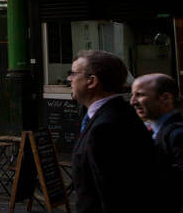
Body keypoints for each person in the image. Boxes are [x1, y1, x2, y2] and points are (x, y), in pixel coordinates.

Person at [69, 50, 171, 212]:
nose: (69, 79)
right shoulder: (119, 112)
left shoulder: (106, 127)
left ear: (92, 81)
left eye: (73, 74)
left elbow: (113, 194)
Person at [131, 73, 183, 173]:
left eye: (140, 95)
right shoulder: (148, 131)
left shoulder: (177, 135)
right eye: (132, 95)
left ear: (166, 98)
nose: (133, 102)